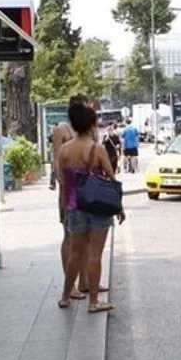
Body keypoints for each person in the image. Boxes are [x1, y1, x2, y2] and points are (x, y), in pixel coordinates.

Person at [57, 100, 125, 312]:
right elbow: (112, 181)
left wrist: (65, 208)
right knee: (95, 254)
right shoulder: (97, 149)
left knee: (75, 254)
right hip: (98, 206)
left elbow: (64, 183)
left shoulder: (64, 151)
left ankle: (65, 296)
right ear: (91, 126)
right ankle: (94, 302)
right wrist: (119, 207)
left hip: (74, 205)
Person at [54, 93, 92, 294]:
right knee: (70, 236)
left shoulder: (87, 130)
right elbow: (58, 162)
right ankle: (71, 286)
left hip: (87, 189)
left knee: (86, 237)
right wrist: (64, 190)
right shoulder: (62, 130)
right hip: (70, 189)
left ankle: (86, 281)